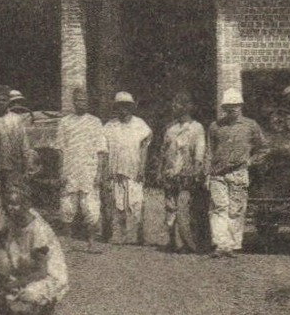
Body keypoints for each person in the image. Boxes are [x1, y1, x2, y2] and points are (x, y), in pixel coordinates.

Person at [0, 184, 69, 315]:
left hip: (48, 275)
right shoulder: (15, 219)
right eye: (8, 203)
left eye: (15, 204)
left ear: (25, 205)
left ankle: (48, 304)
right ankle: (3, 301)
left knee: (30, 295)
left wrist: (13, 284)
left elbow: (42, 271)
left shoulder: (38, 230)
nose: (10, 207)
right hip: (25, 267)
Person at [206, 87, 268, 258]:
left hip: (239, 173)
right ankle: (220, 245)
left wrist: (250, 161)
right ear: (224, 108)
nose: (232, 108)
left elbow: (264, 148)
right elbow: (209, 152)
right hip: (218, 174)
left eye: (235, 105)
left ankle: (231, 246)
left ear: (241, 106)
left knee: (236, 209)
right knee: (219, 208)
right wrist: (207, 173)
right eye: (228, 106)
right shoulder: (215, 126)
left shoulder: (250, 125)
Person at [57, 87, 107, 252]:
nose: (81, 103)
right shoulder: (65, 122)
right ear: (73, 101)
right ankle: (67, 242)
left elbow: (101, 150)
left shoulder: (95, 122)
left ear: (88, 101)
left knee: (91, 208)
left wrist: (99, 173)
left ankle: (91, 243)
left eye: (84, 100)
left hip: (88, 170)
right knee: (67, 207)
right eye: (78, 100)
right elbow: (60, 149)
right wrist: (61, 171)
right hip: (70, 169)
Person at [0, 85, 34, 234]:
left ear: (9, 101)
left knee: (15, 202)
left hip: (14, 170)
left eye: (4, 99)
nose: (1, 102)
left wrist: (28, 165)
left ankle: (17, 234)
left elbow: (24, 145)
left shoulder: (16, 120)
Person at [158, 92, 208, 254]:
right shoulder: (170, 128)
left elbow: (199, 152)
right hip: (170, 173)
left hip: (187, 175)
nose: (174, 107)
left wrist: (196, 170)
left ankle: (188, 243)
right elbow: (163, 152)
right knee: (170, 207)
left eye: (177, 104)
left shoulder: (196, 128)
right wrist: (160, 171)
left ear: (186, 107)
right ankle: (173, 242)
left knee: (184, 209)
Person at [102, 92, 151, 245]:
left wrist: (142, 168)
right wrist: (105, 171)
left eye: (126, 106)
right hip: (116, 170)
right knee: (119, 203)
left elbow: (144, 147)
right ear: (116, 107)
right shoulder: (109, 126)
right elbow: (104, 151)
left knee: (136, 202)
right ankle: (121, 235)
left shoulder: (140, 124)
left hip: (133, 169)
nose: (123, 109)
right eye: (120, 106)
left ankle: (139, 235)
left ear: (131, 107)